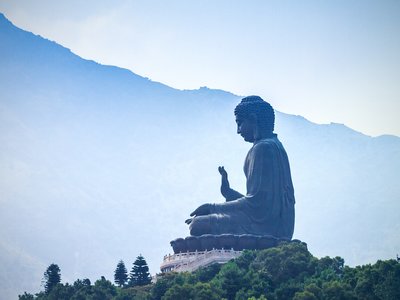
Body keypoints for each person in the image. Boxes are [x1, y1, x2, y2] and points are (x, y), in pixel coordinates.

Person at [186, 96, 295, 239]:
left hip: (265, 228)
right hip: (277, 226)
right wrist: (228, 193)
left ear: (253, 119)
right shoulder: (274, 145)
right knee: (201, 222)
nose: (238, 130)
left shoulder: (263, 148)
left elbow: (256, 206)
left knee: (198, 225)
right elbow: (259, 202)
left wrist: (212, 207)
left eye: (240, 123)